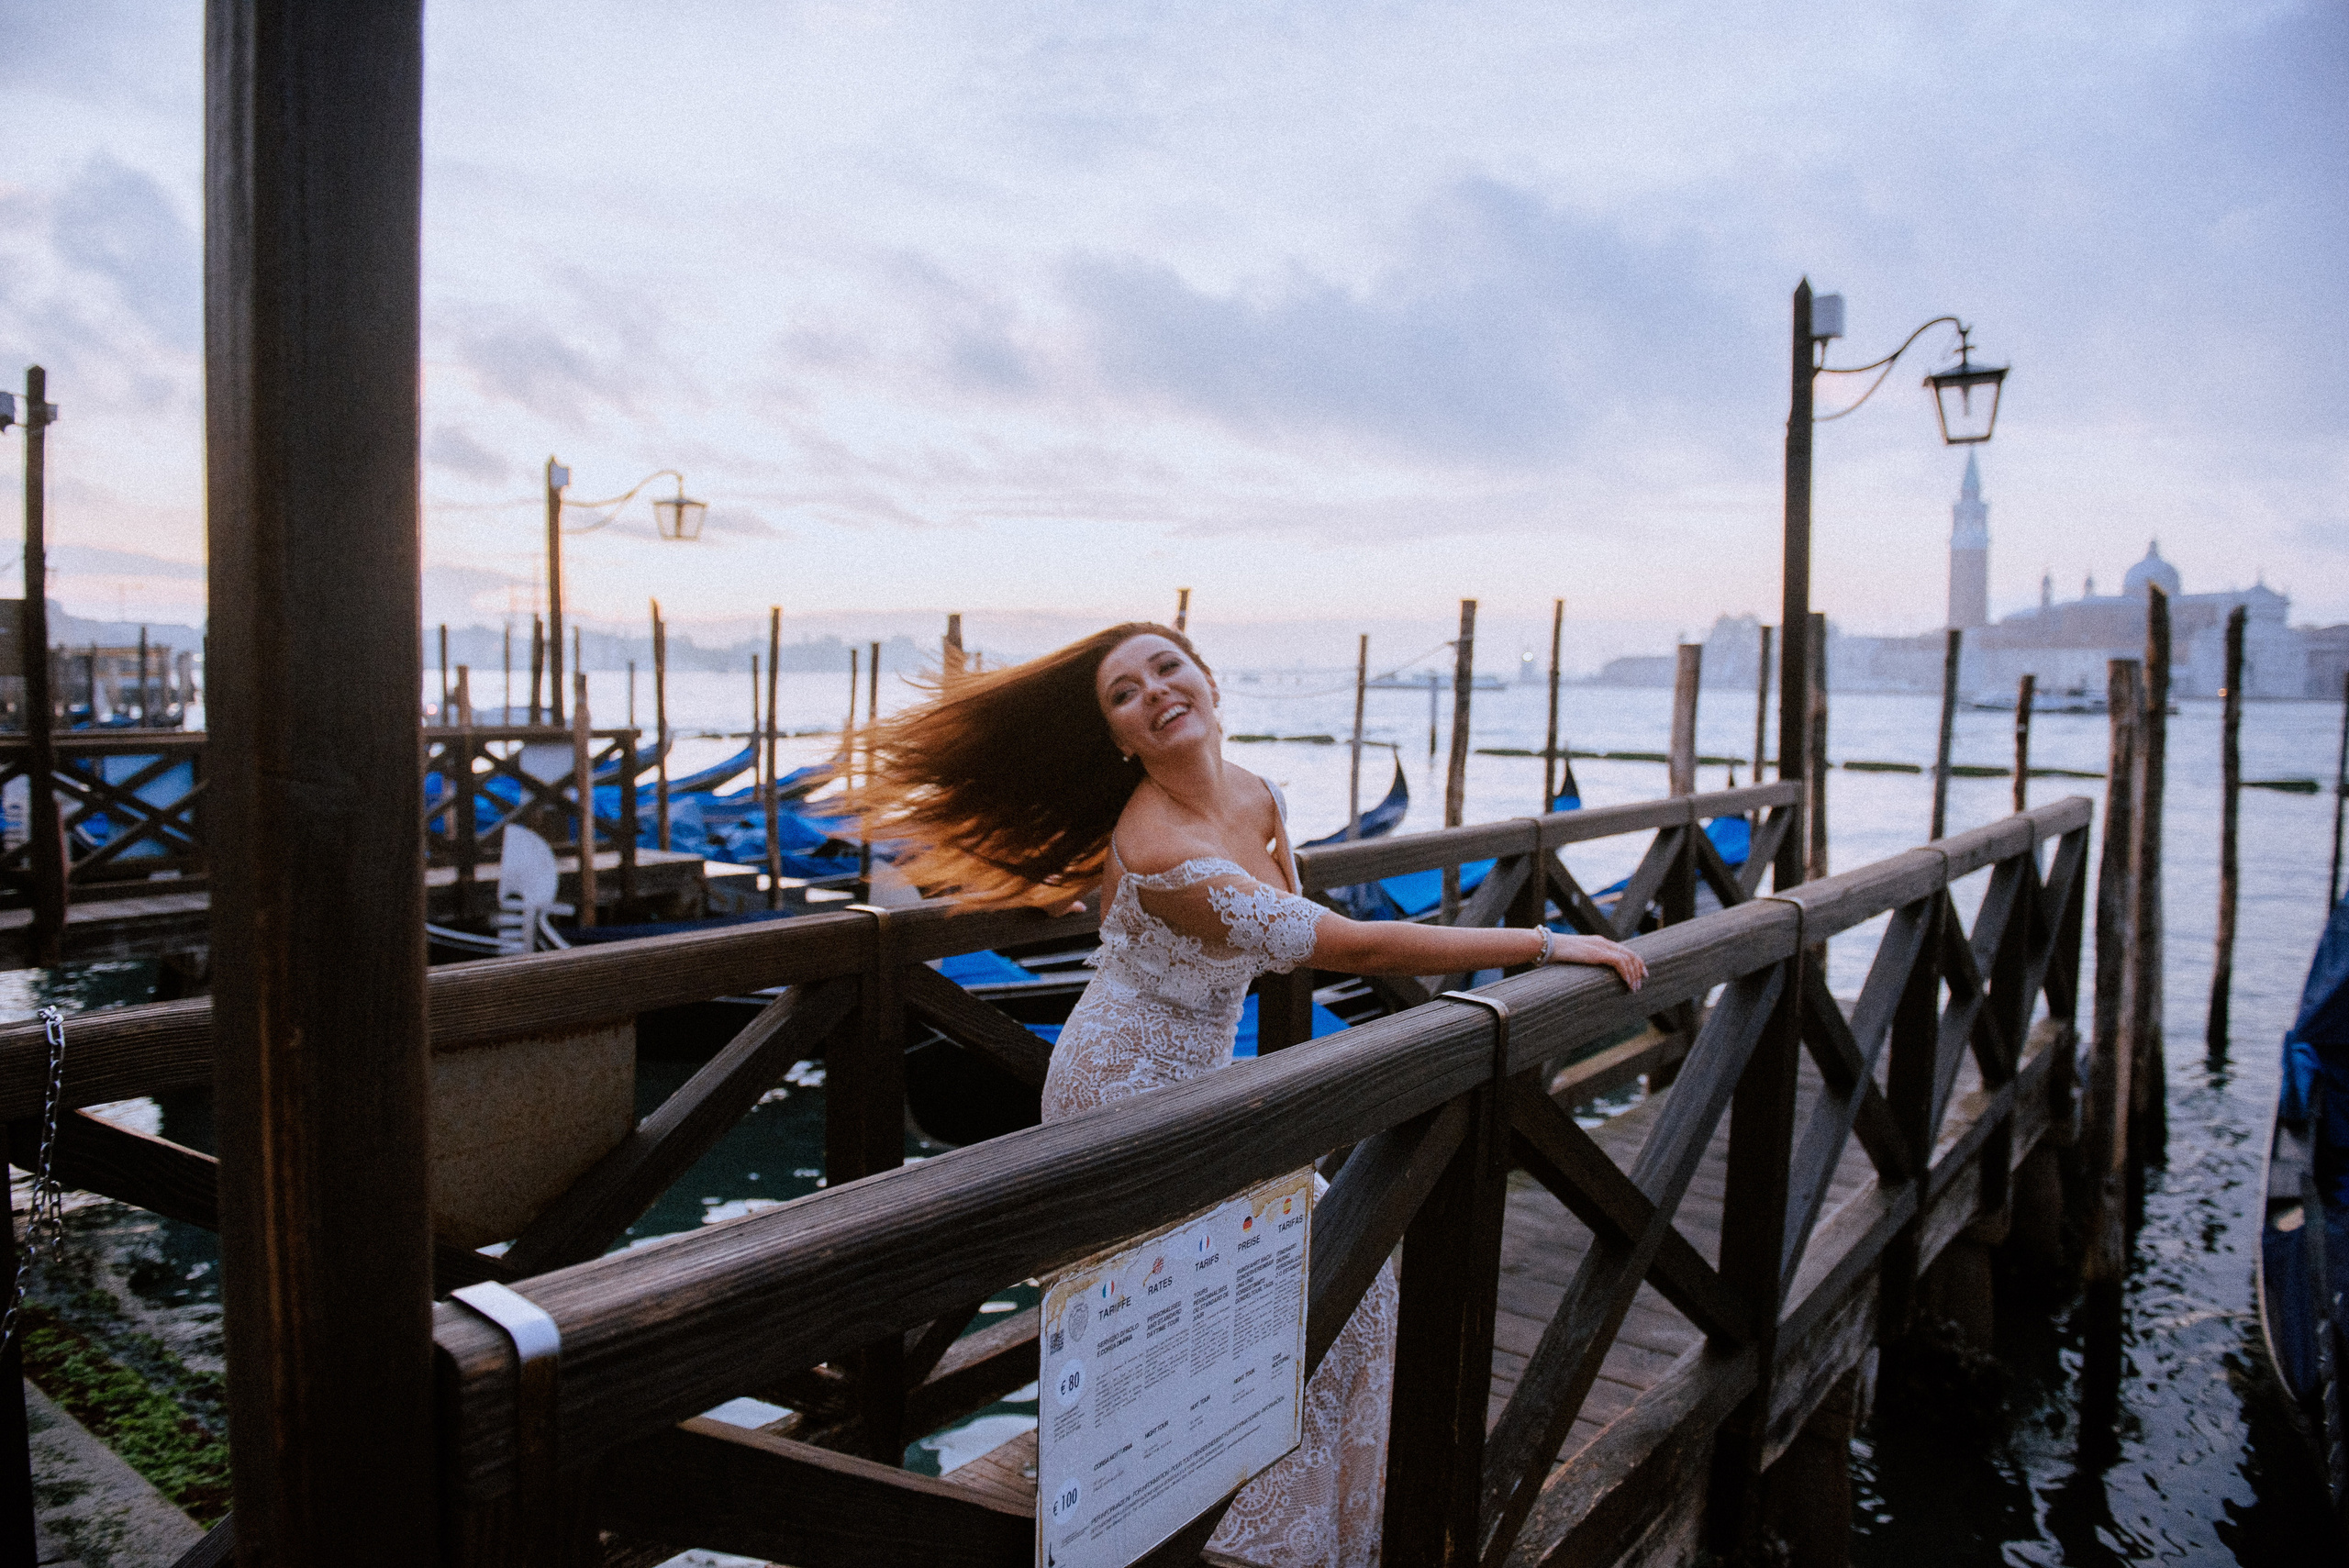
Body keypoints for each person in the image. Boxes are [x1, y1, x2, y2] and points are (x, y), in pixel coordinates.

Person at [857, 622, 1644, 1568]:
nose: (1152, 690)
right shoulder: (1156, 845)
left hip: (1202, 1076)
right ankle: (1217, 1529)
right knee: (1257, 1287)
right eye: (1123, 693)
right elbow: (1349, 947)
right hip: (1119, 1087)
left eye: (1166, 667)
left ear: (1208, 679)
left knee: (1335, 1281)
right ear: (1121, 738)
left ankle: (1296, 1522)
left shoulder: (1259, 793)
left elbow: (1296, 928)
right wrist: (1550, 943)